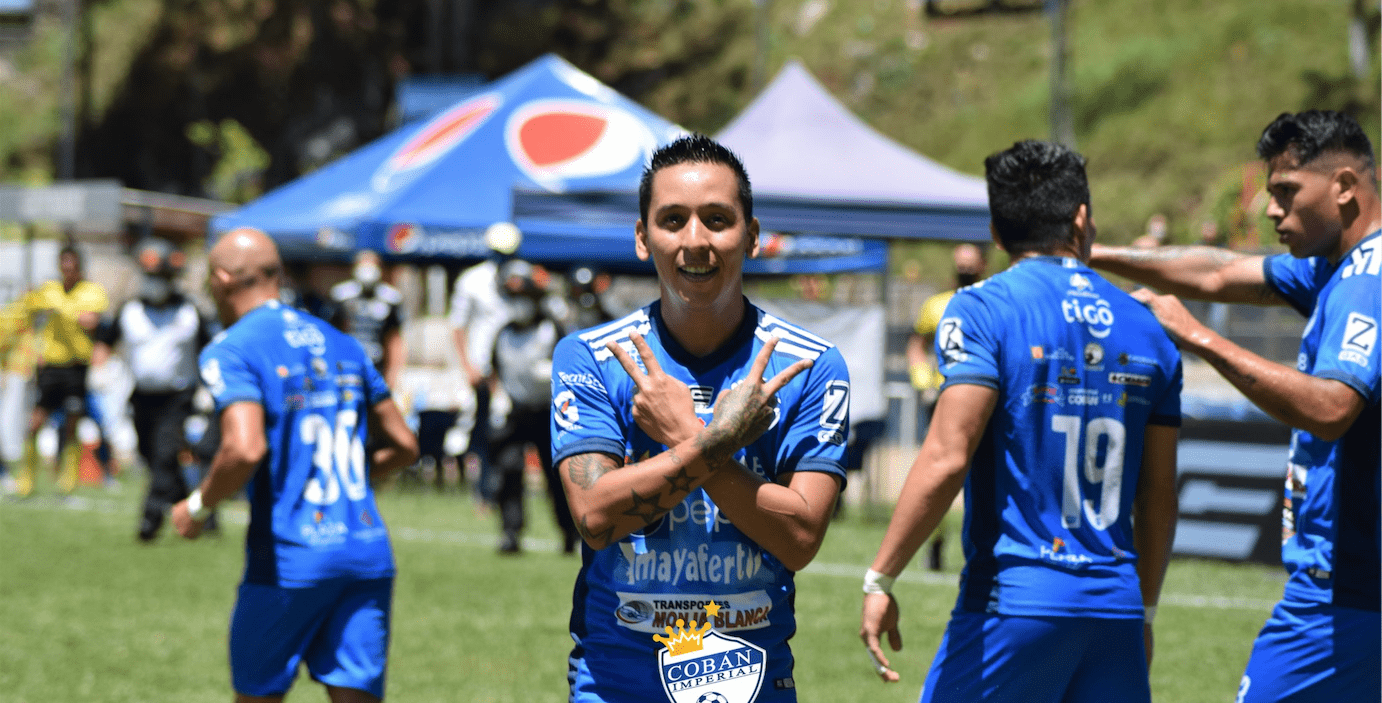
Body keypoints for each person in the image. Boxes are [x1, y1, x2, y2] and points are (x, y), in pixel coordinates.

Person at [859, 140, 1182, 703]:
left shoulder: (982, 309)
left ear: (995, 228)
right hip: (1117, 607)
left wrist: (882, 576)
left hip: (1014, 601)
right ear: (1082, 220)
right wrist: (1145, 612)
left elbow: (948, 453)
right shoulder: (1148, 326)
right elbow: (1158, 493)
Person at [1089, 109, 1381, 702]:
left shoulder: (1367, 279)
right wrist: (1091, 253)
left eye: (1286, 193)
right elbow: (1218, 272)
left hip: (1344, 594)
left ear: (1346, 187)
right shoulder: (1336, 268)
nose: (1270, 210)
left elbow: (1332, 406)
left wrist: (1197, 338)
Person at [552, 134, 850, 702]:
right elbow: (593, 515)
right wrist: (715, 441)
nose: (695, 241)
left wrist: (685, 436)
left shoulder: (811, 367)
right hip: (617, 681)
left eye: (717, 219)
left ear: (753, 236)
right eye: (672, 220)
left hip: (753, 681)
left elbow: (801, 539)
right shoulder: (593, 356)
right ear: (643, 238)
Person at [170, 227, 419, 703]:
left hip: (290, 557)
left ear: (221, 278)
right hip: (366, 549)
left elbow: (243, 449)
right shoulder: (342, 343)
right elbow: (405, 445)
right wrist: (343, 480)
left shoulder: (233, 347)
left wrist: (198, 506)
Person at [94, 237, 216, 540]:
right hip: (142, 397)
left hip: (178, 396)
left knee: (164, 453)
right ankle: (200, 516)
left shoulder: (189, 312)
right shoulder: (130, 310)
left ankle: (149, 522)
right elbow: (104, 342)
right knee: (152, 457)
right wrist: (98, 370)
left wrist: (208, 387)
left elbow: (209, 350)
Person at [903, 242, 986, 570]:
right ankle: (935, 542)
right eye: (960, 264)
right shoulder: (936, 305)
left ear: (982, 265)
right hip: (942, 400)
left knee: (980, 478)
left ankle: (979, 546)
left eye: (970, 264)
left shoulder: (993, 304)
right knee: (938, 476)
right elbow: (916, 344)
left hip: (983, 402)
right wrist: (923, 381)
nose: (964, 269)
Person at [489, 258, 577, 554]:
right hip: (516, 412)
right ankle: (511, 533)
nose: (518, 305)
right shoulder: (503, 334)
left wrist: (552, 372)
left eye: (523, 298)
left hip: (549, 413)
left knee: (558, 477)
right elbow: (495, 370)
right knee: (509, 470)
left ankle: (569, 533)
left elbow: (572, 367)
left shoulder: (551, 329)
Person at [6, 245, 108, 497]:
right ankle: (26, 478)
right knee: (36, 421)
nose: (67, 271)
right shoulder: (49, 289)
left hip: (75, 366)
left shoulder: (92, 291)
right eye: (64, 266)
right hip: (50, 365)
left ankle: (67, 479)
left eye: (71, 266)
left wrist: (62, 308)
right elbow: (27, 309)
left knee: (72, 422)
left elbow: (90, 320)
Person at [449, 222, 523, 509]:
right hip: (482, 369)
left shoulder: (523, 277)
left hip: (515, 371)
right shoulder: (472, 281)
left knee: (513, 436)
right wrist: (467, 366)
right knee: (483, 434)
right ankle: (484, 493)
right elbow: (458, 326)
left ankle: (508, 494)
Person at [330, 250, 405, 389]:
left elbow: (394, 339)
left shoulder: (390, 298)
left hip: (377, 366)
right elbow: (333, 333)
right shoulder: (341, 296)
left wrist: (393, 373)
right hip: (347, 367)